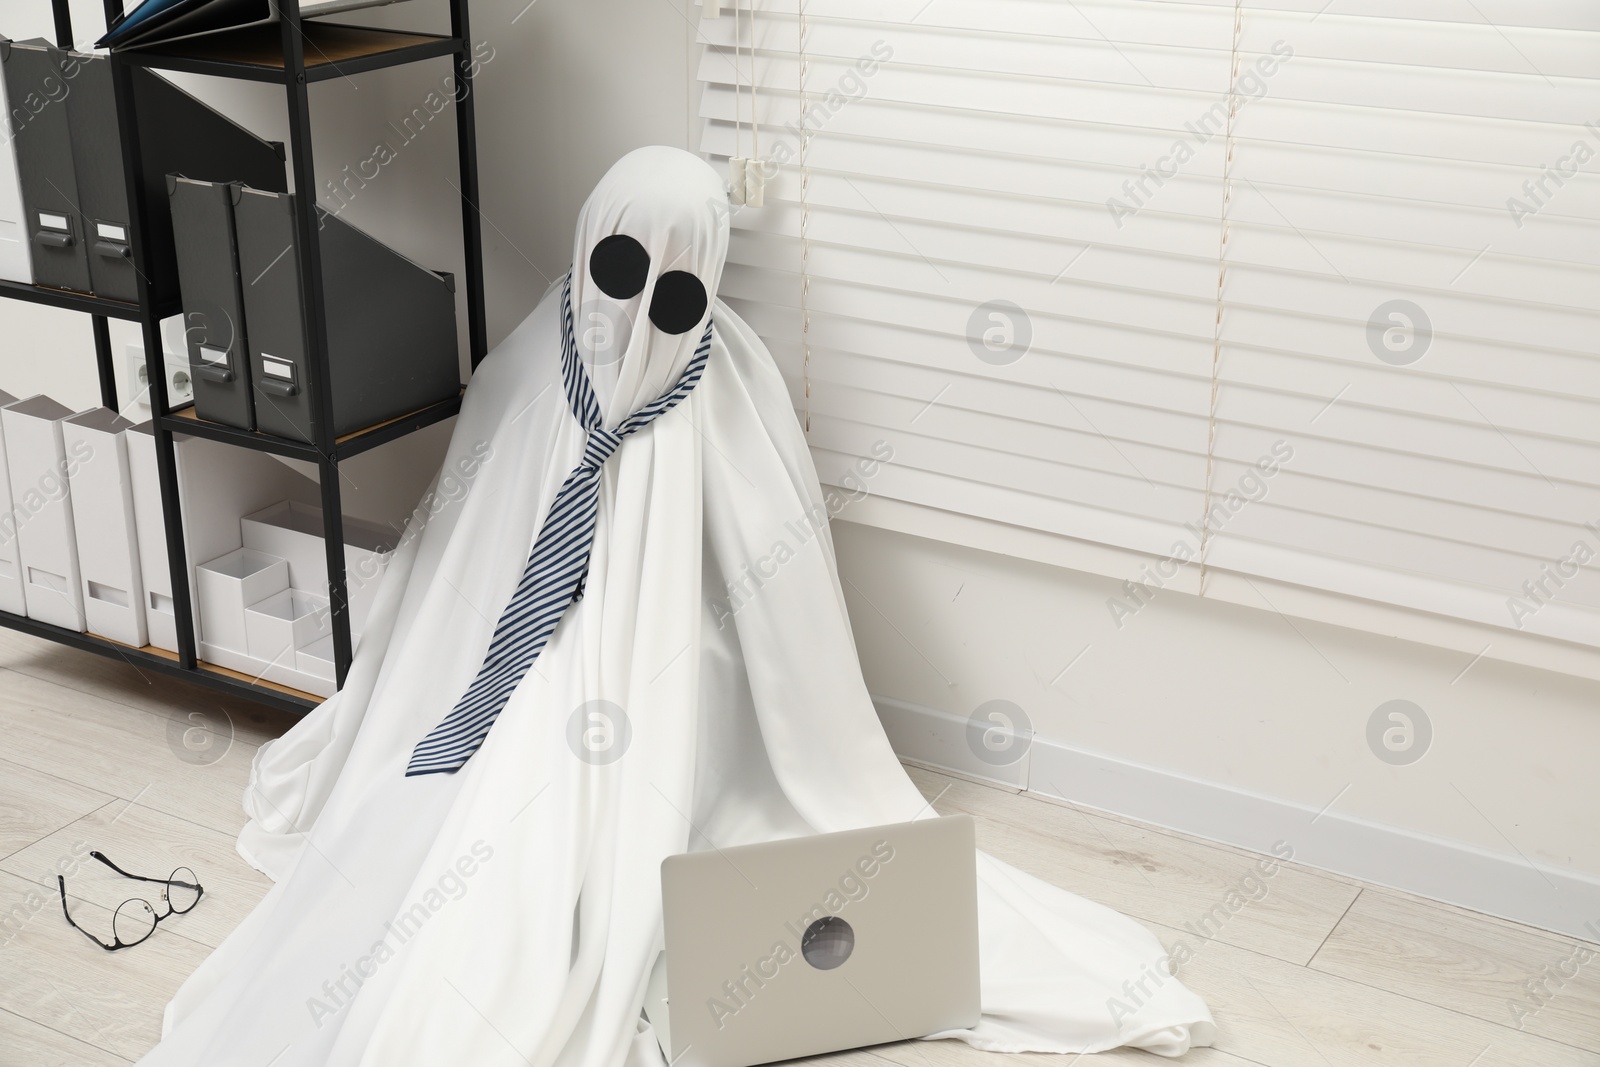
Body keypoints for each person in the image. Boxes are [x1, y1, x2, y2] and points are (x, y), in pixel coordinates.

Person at [137, 146, 1214, 1065]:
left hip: (686, 668)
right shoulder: (529, 365)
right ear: (584, 243)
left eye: (676, 288)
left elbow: (777, 583)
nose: (642, 308)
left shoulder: (720, 388)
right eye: (618, 267)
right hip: (525, 659)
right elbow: (472, 537)